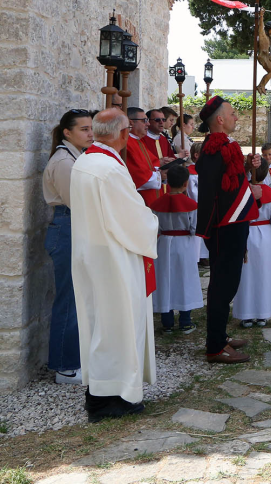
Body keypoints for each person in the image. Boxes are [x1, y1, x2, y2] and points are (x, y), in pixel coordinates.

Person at [70, 109, 159, 422]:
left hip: (94, 253)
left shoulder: (85, 161)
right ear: (123, 134)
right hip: (115, 257)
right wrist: (153, 222)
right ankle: (112, 398)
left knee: (102, 324)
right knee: (119, 325)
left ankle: (101, 393)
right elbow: (133, 217)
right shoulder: (108, 168)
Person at [195, 96, 257, 364]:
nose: (236, 118)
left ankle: (219, 336)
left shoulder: (225, 147)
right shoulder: (213, 149)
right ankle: (215, 346)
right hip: (224, 226)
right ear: (219, 119)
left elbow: (228, 179)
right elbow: (211, 190)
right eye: (232, 114)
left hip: (233, 224)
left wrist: (247, 169)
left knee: (229, 282)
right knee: (222, 285)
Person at [42, 109, 94, 384]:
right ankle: (64, 366)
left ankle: (74, 357)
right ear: (67, 132)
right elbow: (77, 200)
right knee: (69, 298)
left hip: (75, 225)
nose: (90, 133)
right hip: (68, 225)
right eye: (84, 129)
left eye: (91, 128)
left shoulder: (76, 157)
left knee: (78, 296)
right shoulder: (64, 161)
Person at [149, 166, 202, 335]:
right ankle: (185, 321)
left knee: (165, 280)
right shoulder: (192, 205)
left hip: (163, 244)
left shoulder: (156, 204)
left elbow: (153, 228)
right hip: (184, 244)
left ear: (168, 182)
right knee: (184, 280)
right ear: (186, 183)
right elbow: (195, 228)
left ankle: (167, 322)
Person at [235, 160, 271, 327]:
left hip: (245, 233)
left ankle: (246, 315)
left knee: (246, 274)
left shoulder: (241, 192)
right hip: (265, 235)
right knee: (263, 273)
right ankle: (262, 314)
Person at [124, 107, 161, 206]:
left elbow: (152, 163)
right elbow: (136, 175)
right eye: (144, 121)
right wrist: (160, 175)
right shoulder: (126, 143)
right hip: (139, 200)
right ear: (131, 123)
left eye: (147, 120)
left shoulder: (138, 141)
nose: (148, 124)